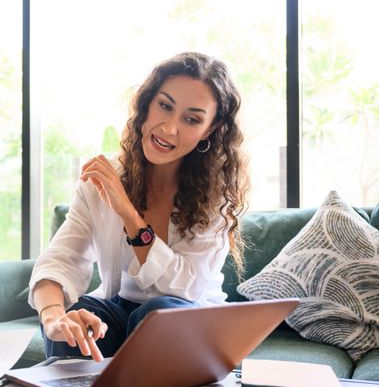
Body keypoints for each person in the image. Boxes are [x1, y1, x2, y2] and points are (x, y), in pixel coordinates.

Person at [29, 52, 248, 362]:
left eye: (192, 119)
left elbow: (185, 288)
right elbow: (61, 260)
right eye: (165, 106)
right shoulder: (104, 178)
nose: (169, 128)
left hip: (188, 317)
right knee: (80, 316)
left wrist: (128, 214)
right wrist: (54, 318)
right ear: (145, 104)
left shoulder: (218, 195)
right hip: (120, 309)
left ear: (209, 131)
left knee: (158, 314)